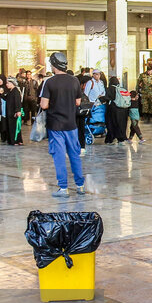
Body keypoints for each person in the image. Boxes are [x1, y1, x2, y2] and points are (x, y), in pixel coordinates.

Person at [40, 52, 86, 197]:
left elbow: (44, 105)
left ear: (53, 65)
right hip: (71, 124)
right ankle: (80, 186)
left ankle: (63, 188)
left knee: (59, 156)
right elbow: (78, 102)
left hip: (55, 125)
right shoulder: (74, 81)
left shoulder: (49, 82)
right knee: (74, 155)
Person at [0, 76, 24, 145]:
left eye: (8, 83)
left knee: (14, 127)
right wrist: (1, 94)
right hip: (10, 112)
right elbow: (6, 98)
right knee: (11, 126)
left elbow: (17, 102)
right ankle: (14, 140)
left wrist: (18, 111)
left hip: (13, 112)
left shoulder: (16, 91)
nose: (7, 84)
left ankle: (16, 140)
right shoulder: (11, 91)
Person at [104, 76, 129, 143]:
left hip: (113, 109)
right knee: (121, 124)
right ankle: (121, 137)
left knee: (112, 124)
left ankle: (111, 138)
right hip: (123, 109)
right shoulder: (120, 89)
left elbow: (107, 98)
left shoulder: (109, 89)